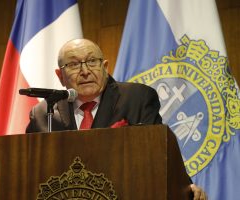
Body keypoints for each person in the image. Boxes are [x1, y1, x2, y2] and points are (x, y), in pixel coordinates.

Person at [26, 38, 207, 200]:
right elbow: (29, 173)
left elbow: (159, 153)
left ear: (105, 67)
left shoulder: (137, 98)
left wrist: (183, 188)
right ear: (60, 76)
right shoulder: (43, 113)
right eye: (74, 64)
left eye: (92, 61)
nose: (85, 71)